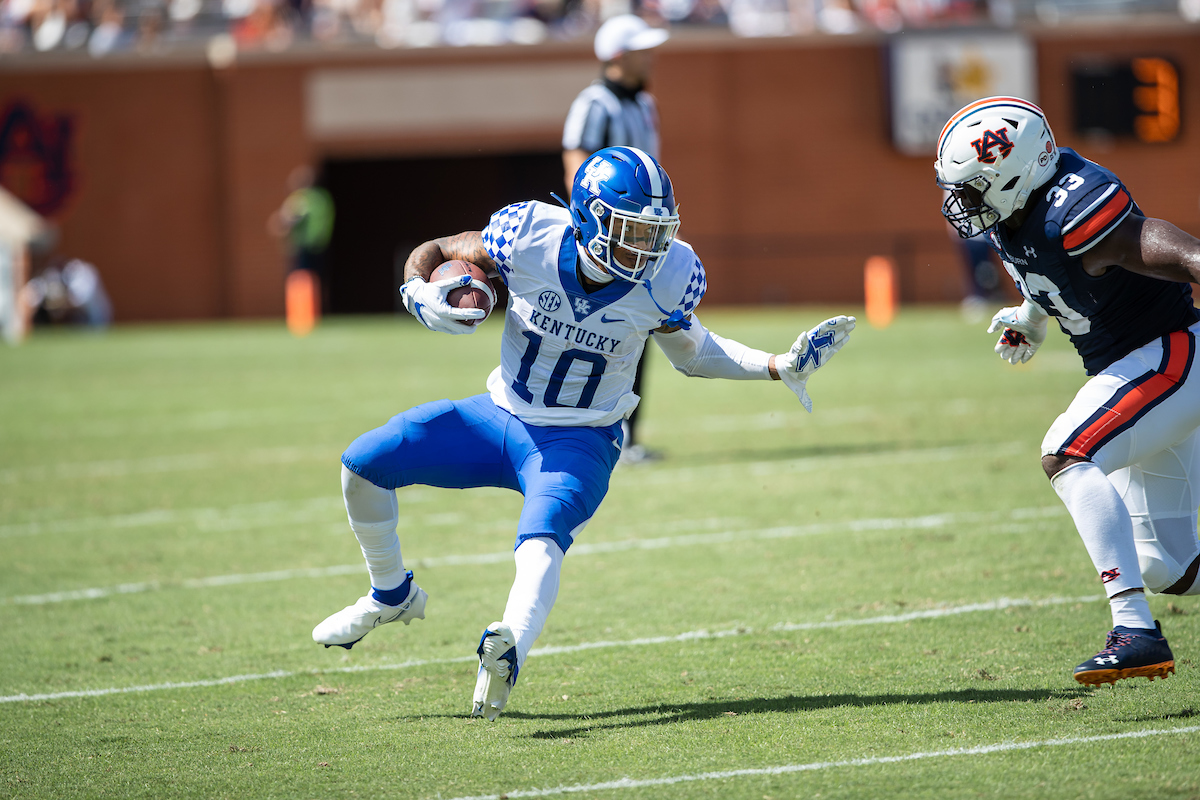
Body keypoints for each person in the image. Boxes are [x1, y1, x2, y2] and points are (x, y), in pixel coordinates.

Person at [311, 146, 855, 720]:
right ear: (592, 218)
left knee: (541, 539)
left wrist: (778, 365)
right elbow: (440, 251)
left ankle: (509, 647)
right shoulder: (527, 235)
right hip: (499, 415)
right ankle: (391, 595)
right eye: (634, 232)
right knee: (363, 463)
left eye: (657, 233)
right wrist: (418, 289)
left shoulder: (667, 277)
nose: (650, 248)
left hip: (582, 437)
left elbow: (693, 353)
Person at [935, 96, 1200, 688]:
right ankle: (1142, 614)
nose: (963, 203)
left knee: (1068, 451)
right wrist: (1030, 317)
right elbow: (1048, 270)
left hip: (1169, 355)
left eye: (975, 189)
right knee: (1169, 566)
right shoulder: (1020, 209)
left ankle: (1134, 632)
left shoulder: (1074, 209)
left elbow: (1148, 242)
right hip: (1139, 365)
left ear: (1014, 173)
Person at [562, 13, 668, 463]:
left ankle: (629, 435)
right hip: (606, 240)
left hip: (640, 239)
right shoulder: (594, 103)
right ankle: (588, 430)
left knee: (638, 332)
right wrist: (589, 232)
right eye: (642, 50)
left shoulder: (645, 104)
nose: (651, 58)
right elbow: (577, 165)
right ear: (619, 57)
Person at [268, 165, 334, 335]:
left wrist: (280, 224)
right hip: (320, 245)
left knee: (301, 281)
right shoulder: (322, 198)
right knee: (316, 281)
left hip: (304, 246)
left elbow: (290, 219)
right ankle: (316, 315)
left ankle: (303, 317)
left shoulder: (302, 199)